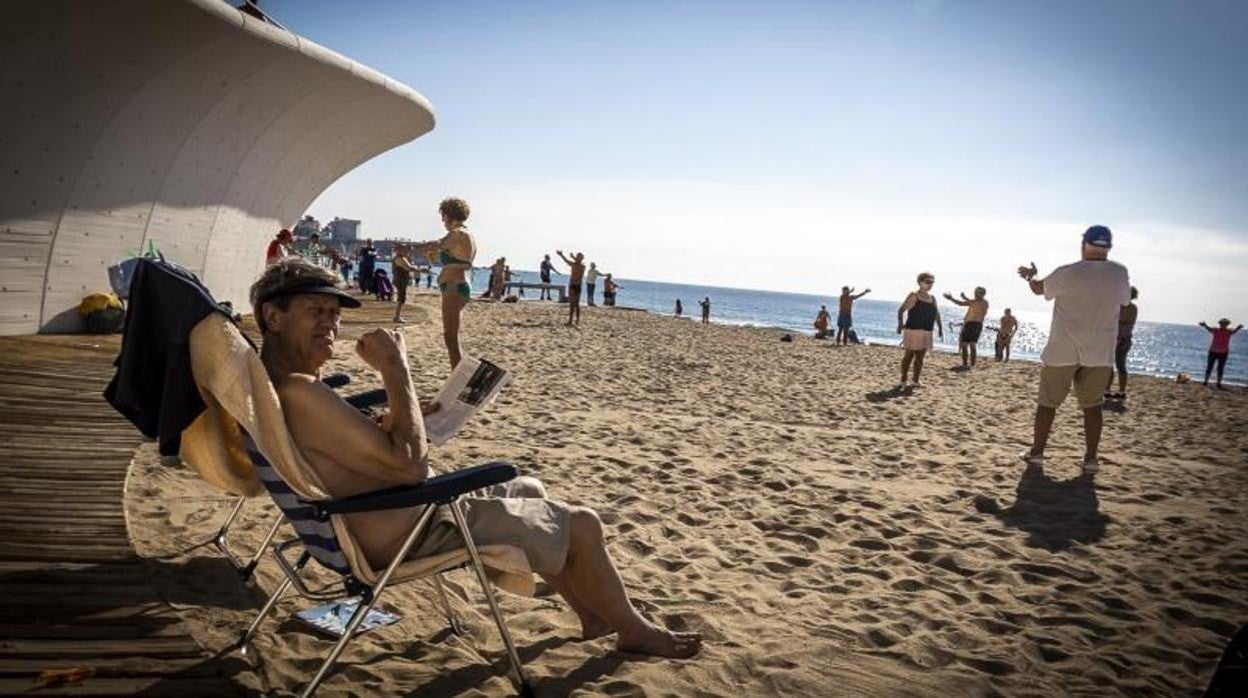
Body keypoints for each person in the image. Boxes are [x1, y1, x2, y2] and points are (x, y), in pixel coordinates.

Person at [248, 258, 701, 658]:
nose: (331, 324)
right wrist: (394, 367)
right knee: (583, 524)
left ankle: (593, 615)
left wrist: (397, 417)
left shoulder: (278, 389)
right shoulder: (299, 391)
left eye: (334, 313)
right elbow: (410, 467)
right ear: (273, 316)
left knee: (529, 491)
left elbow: (345, 452)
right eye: (316, 312)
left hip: (385, 516)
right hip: (407, 531)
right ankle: (635, 632)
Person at [1017, 224, 1130, 473]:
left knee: (1047, 404)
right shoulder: (1120, 273)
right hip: (1100, 352)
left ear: (1083, 245)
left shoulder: (1068, 272)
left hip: (1062, 349)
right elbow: (1124, 300)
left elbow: (1039, 289)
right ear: (1109, 247)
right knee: (1093, 407)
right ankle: (1090, 459)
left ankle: (1037, 453)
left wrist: (1030, 276)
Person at [409, 198, 477, 369]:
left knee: (451, 339)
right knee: (452, 339)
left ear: (448, 215)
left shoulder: (458, 233)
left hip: (454, 286)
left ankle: (460, 379)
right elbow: (454, 257)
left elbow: (436, 244)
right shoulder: (464, 235)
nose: (442, 221)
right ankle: (462, 376)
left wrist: (408, 249)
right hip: (456, 285)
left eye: (443, 216)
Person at [896, 273, 943, 386]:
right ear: (920, 282)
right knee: (909, 355)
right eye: (927, 281)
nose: (930, 284)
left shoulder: (933, 298)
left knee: (920, 358)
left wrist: (940, 327)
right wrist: (900, 324)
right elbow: (901, 310)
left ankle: (915, 380)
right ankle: (903, 380)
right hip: (913, 330)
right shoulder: (914, 295)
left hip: (927, 331)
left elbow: (936, 314)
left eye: (932, 282)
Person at [943, 287, 989, 368]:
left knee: (965, 344)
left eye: (976, 292)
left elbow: (960, 303)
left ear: (981, 293)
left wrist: (951, 298)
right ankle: (971, 364)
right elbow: (973, 302)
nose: (974, 293)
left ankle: (965, 364)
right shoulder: (985, 303)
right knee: (972, 345)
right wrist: (965, 298)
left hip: (971, 324)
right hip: (978, 324)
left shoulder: (974, 302)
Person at [1106, 286, 1139, 398]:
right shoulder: (1119, 306)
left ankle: (1120, 391)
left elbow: (1127, 325)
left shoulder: (1129, 308)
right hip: (1117, 338)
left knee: (1119, 365)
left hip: (1122, 340)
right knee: (1112, 365)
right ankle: (1109, 390)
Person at [1198, 318, 1243, 389]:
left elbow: (1235, 331)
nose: (1223, 325)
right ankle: (1205, 381)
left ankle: (1218, 383)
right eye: (1222, 323)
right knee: (1209, 367)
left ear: (1227, 325)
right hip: (1213, 351)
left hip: (1223, 353)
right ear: (1220, 324)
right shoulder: (1216, 330)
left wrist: (1238, 328)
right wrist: (1205, 325)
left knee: (1220, 369)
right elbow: (1209, 329)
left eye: (1225, 324)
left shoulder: (1229, 332)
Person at [556, 250, 586, 326]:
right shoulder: (574, 264)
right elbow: (566, 261)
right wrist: (561, 255)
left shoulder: (582, 266)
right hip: (572, 285)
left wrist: (572, 257)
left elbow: (576, 262)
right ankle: (570, 321)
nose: (577, 257)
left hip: (577, 285)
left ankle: (577, 320)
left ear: (581, 258)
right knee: (572, 304)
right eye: (577, 256)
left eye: (579, 257)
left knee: (576, 304)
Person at [391, 243, 415, 324]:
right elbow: (409, 267)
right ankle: (396, 317)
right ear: (400, 250)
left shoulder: (402, 257)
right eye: (405, 249)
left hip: (401, 279)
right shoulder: (399, 258)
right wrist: (421, 270)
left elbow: (408, 268)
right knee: (401, 298)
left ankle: (397, 316)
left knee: (401, 297)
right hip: (400, 279)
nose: (406, 251)